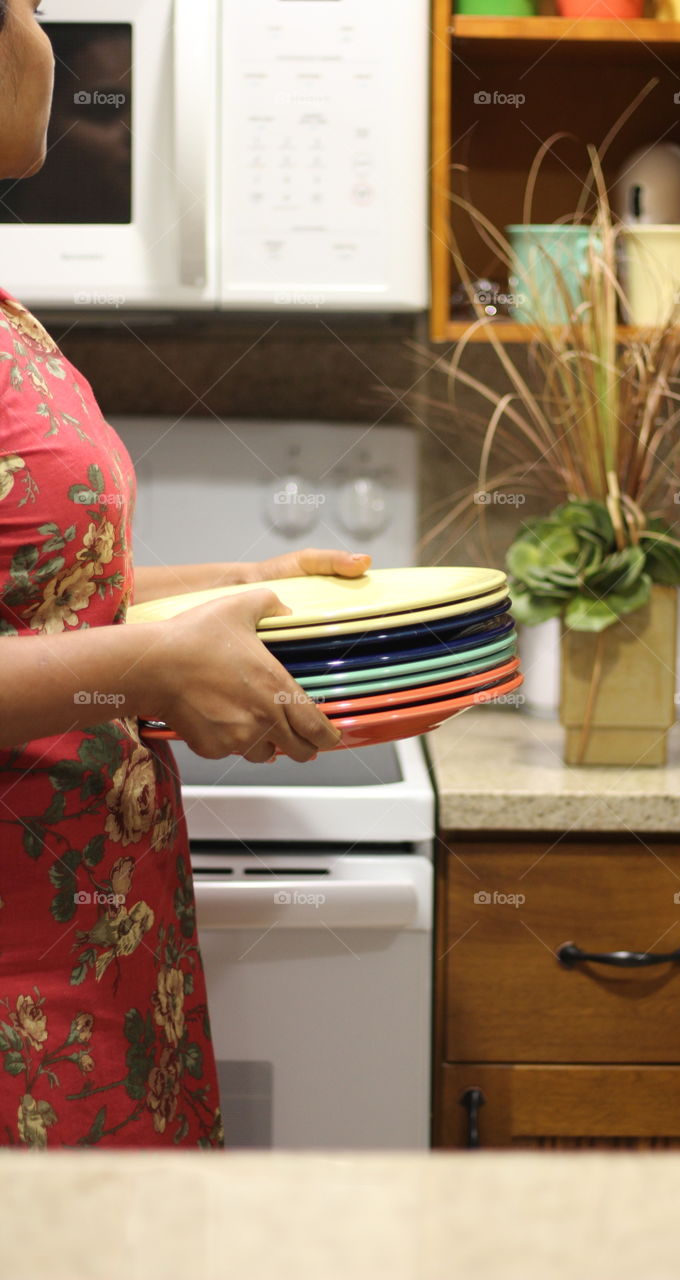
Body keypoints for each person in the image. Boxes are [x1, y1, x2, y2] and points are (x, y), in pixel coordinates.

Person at [0, 0, 371, 1148]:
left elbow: (45, 595)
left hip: (98, 949)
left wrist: (250, 580)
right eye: (29, 8)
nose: (45, 46)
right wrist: (154, 662)